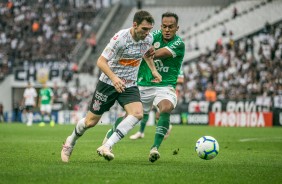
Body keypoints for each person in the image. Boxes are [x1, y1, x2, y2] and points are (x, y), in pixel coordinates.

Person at [61, 10, 162, 163]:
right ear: (135, 25)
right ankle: (70, 142)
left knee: (137, 114)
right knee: (90, 122)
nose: (148, 33)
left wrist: (154, 70)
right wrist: (114, 78)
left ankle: (107, 146)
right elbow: (101, 61)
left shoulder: (148, 39)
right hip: (108, 83)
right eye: (144, 29)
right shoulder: (120, 38)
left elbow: (147, 54)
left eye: (150, 29)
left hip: (129, 85)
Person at [102, 12, 185, 163]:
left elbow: (158, 53)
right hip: (143, 84)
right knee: (130, 117)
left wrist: (146, 51)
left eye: (171, 27)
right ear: (161, 26)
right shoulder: (152, 35)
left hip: (165, 85)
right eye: (164, 26)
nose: (167, 30)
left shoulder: (179, 44)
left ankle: (155, 148)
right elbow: (142, 45)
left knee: (166, 107)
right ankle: (109, 138)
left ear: (177, 28)